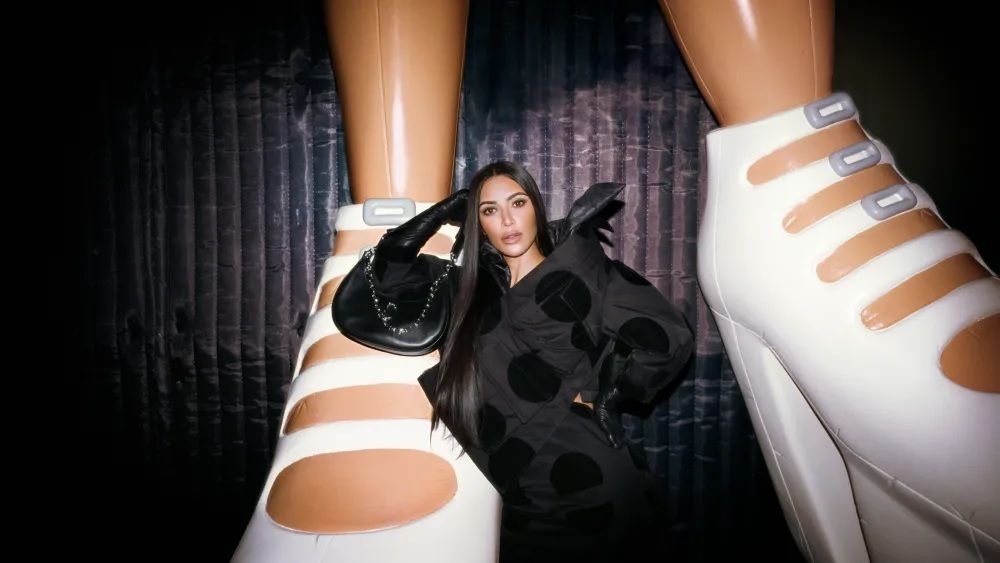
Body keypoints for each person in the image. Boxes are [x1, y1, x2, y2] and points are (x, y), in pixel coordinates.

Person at [366, 160, 693, 562]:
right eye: (489, 210)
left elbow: (668, 337)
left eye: (517, 203)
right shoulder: (470, 293)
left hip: (592, 477)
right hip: (521, 491)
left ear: (535, 207)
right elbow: (389, 273)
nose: (507, 220)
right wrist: (446, 209)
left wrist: (611, 393)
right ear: (478, 223)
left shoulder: (584, 269)